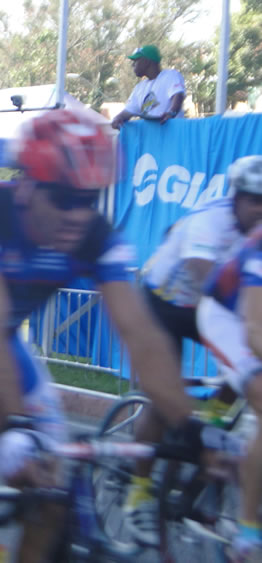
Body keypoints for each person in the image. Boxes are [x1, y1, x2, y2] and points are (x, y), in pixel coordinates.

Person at [0, 109, 210, 563]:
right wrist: (14, 425)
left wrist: (191, 427)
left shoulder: (95, 236)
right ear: (27, 186)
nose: (78, 214)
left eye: (90, 198)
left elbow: (141, 335)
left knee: (52, 486)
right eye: (63, 197)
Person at [124, 155, 262, 545]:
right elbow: (204, 275)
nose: (261, 209)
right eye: (255, 201)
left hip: (210, 307)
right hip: (165, 305)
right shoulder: (211, 221)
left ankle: (213, 422)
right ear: (237, 197)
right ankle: (138, 489)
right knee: (163, 398)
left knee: (245, 367)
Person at [198, 156, 262, 562]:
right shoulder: (258, 247)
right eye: (255, 200)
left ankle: (216, 428)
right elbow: (253, 331)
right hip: (225, 317)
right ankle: (247, 530)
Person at [111, 44, 186, 129]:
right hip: (151, 135)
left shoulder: (170, 75)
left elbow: (178, 95)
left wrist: (171, 112)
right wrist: (118, 118)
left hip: (172, 132)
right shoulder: (139, 87)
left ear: (146, 61)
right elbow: (129, 110)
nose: (133, 65)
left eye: (136, 61)